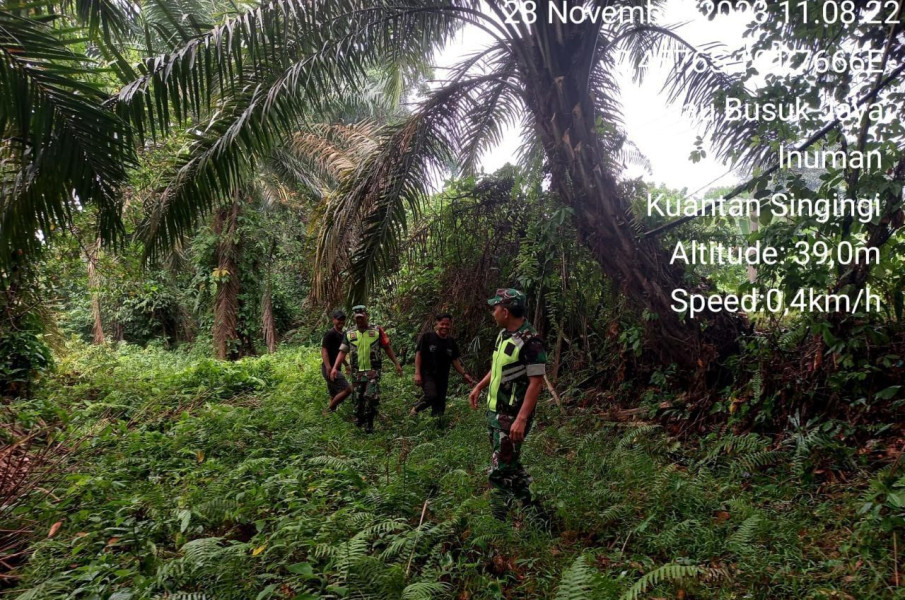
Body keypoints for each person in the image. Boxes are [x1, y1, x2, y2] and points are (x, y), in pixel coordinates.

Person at [468, 288, 546, 520]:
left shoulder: (531, 342)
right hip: (496, 413)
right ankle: (537, 513)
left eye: (495, 308)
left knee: (499, 472)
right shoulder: (503, 335)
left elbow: (536, 382)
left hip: (512, 416)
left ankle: (498, 524)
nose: (492, 312)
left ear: (505, 311)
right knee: (509, 464)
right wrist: (479, 386)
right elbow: (498, 368)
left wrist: (521, 419)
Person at [331, 305, 403, 433]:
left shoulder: (377, 331)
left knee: (371, 397)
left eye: (362, 317)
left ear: (367, 316)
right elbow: (342, 351)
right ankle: (359, 419)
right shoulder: (349, 333)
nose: (359, 320)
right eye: (357, 318)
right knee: (358, 398)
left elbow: (387, 348)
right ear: (354, 318)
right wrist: (335, 368)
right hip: (356, 373)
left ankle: (370, 423)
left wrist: (397, 364)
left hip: (372, 372)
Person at [410, 313, 475, 424]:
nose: (445, 327)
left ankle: (436, 428)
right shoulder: (428, 337)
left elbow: (454, 360)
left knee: (440, 405)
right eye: (442, 324)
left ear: (450, 325)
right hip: (427, 373)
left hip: (443, 377)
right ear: (437, 323)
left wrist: (464, 374)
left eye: (447, 324)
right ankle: (415, 409)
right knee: (431, 395)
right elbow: (419, 354)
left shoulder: (451, 342)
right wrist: (417, 373)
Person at [322, 310, 352, 412]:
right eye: (339, 319)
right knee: (347, 389)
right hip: (329, 368)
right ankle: (329, 410)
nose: (341, 322)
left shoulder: (343, 334)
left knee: (333, 394)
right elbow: (324, 351)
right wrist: (328, 367)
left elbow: (341, 353)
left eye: (343, 320)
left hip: (336, 367)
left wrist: (347, 365)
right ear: (334, 320)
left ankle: (330, 416)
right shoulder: (330, 333)